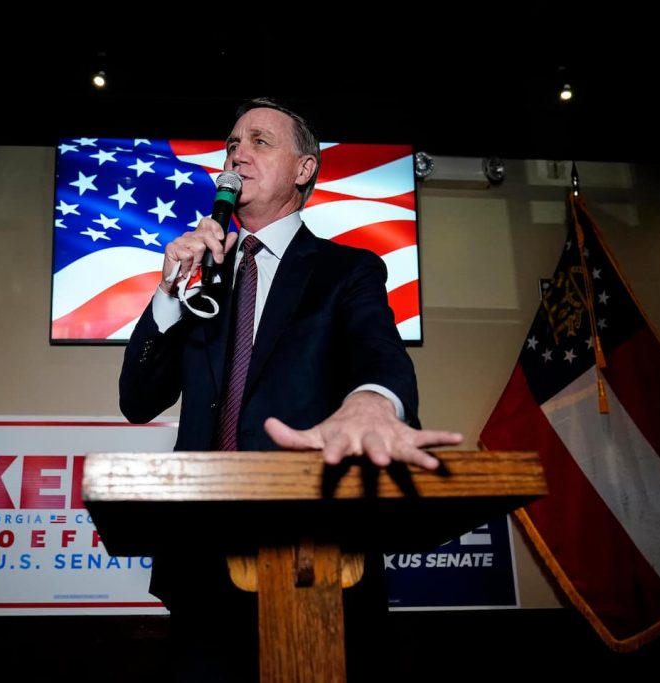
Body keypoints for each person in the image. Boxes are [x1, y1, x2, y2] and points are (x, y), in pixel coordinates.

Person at [119, 97, 463, 681]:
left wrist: (371, 402)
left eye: (259, 141)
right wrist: (170, 291)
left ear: (304, 169)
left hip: (315, 555)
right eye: (232, 144)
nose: (237, 155)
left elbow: (379, 354)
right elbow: (137, 400)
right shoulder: (203, 277)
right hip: (200, 565)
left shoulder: (346, 270)